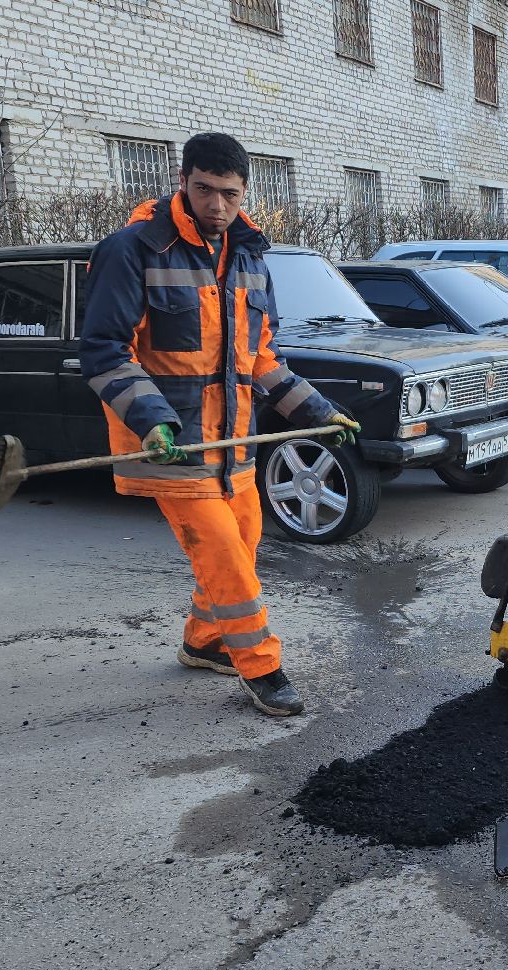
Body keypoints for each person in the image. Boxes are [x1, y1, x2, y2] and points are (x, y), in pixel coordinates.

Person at [80, 132, 360, 718]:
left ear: (244, 193)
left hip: (235, 446)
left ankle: (203, 641)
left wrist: (315, 411)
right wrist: (154, 421)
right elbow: (106, 351)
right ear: (183, 181)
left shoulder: (251, 257)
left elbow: (259, 358)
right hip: (172, 445)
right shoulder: (133, 249)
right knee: (225, 559)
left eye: (228, 194)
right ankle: (261, 665)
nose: (216, 205)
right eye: (203, 190)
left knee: (244, 545)